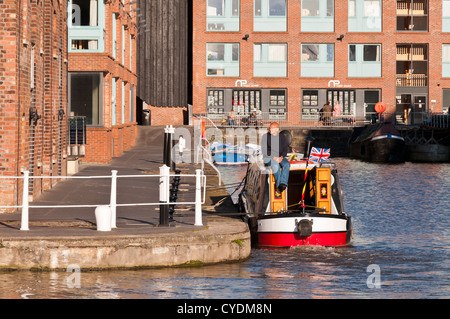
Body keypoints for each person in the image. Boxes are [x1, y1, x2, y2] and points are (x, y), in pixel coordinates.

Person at [261, 122, 290, 195]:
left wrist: (281, 157)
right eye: (270, 128)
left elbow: (285, 149)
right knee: (275, 165)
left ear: (277, 129)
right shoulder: (265, 137)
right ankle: (278, 186)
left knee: (287, 164)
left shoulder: (282, 137)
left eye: (272, 128)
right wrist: (274, 158)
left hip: (279, 157)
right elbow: (264, 150)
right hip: (268, 157)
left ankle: (283, 184)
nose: (270, 129)